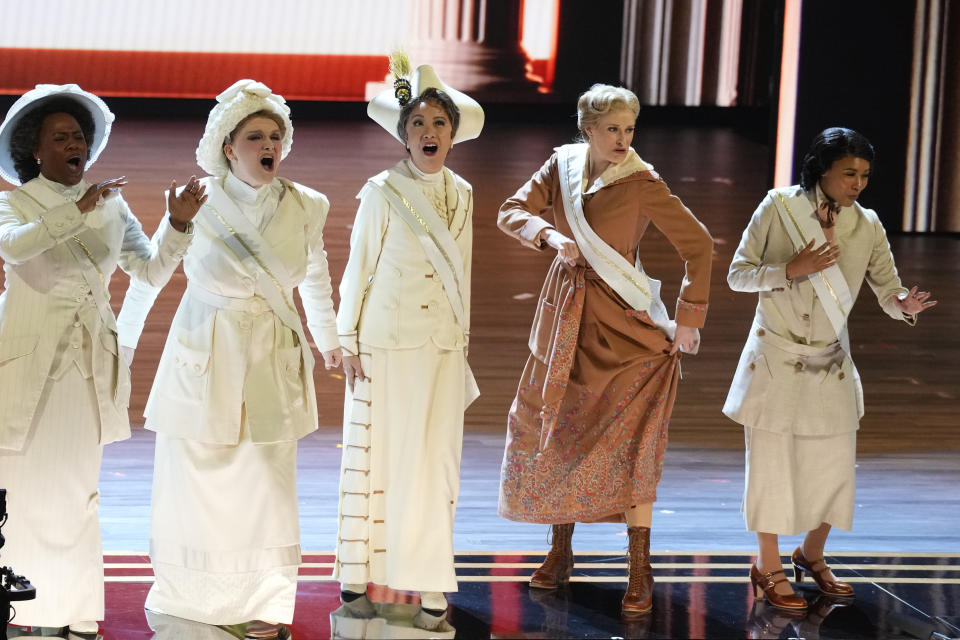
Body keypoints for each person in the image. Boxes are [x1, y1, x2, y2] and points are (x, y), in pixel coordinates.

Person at [115, 79, 342, 638]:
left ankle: (263, 599)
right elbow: (150, 278)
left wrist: (330, 340)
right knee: (197, 472)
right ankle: (191, 597)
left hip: (272, 349)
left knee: (267, 480)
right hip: (206, 346)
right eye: (255, 136)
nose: (269, 145)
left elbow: (314, 278)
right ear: (227, 147)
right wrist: (119, 345)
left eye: (275, 136)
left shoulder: (307, 205)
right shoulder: (197, 200)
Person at [496, 83, 713, 616]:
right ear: (587, 130)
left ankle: (640, 568)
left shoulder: (642, 183)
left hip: (625, 329)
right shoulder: (563, 166)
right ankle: (560, 550)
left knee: (632, 443)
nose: (622, 139)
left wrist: (688, 319)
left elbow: (700, 245)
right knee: (559, 429)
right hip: (566, 316)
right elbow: (511, 210)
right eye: (611, 129)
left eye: (629, 129)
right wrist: (549, 236)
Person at [0, 83, 200, 635]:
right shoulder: (13, 201)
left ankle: (78, 611)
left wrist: (177, 225)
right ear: (35, 150)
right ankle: (20, 608)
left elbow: (150, 270)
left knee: (78, 494)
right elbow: (14, 247)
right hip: (24, 370)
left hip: (87, 373)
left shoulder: (111, 204)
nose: (74, 144)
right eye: (60, 136)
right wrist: (76, 210)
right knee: (20, 493)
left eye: (79, 136)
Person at [723, 127, 937, 610]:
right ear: (823, 170)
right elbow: (738, 274)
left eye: (864, 174)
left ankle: (811, 554)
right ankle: (767, 565)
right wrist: (789, 269)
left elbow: (887, 288)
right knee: (772, 470)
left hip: (831, 362)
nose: (858, 183)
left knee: (834, 469)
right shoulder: (778, 207)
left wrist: (903, 302)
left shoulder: (867, 225)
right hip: (776, 358)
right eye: (848, 173)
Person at [333, 53, 483, 632]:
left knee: (434, 462)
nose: (429, 133)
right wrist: (347, 338)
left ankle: (428, 575)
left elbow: (462, 273)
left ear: (452, 135)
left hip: (442, 347)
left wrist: (461, 341)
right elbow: (358, 267)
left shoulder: (464, 193)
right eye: (417, 124)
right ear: (403, 136)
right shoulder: (380, 191)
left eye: (438, 124)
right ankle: (357, 571)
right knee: (380, 456)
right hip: (385, 343)